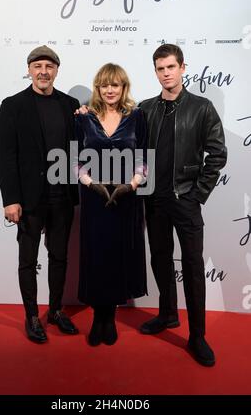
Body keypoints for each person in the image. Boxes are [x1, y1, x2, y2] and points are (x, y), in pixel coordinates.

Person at [139, 44, 227, 366]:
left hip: (185, 200)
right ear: (156, 72)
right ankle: (167, 315)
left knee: (191, 266)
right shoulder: (146, 109)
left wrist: (197, 194)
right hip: (155, 201)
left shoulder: (202, 108)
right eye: (161, 69)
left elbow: (217, 154)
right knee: (160, 260)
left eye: (171, 67)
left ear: (183, 68)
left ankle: (198, 336)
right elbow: (128, 145)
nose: (166, 73)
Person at [0, 45, 80, 343]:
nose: (44, 71)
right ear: (29, 69)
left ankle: (56, 310)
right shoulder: (12, 105)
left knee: (59, 257)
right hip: (29, 199)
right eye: (38, 65)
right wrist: (10, 199)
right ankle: (32, 316)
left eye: (49, 65)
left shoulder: (70, 105)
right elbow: (6, 156)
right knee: (28, 260)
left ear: (57, 70)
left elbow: (80, 151)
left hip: (62, 197)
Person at [75, 63, 148, 346]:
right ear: (98, 88)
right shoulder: (85, 118)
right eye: (104, 85)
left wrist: (130, 185)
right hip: (93, 200)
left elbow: (143, 157)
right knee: (97, 256)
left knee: (118, 256)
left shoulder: (136, 116)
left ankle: (111, 317)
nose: (109, 90)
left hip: (125, 199)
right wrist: (90, 183)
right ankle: (98, 318)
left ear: (123, 88)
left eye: (115, 85)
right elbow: (75, 159)